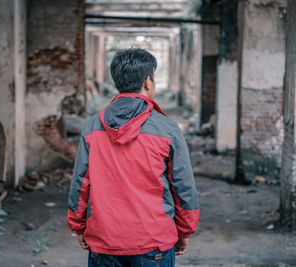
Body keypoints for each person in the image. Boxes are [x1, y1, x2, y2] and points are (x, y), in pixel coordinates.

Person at [67, 48, 199, 267]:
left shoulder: (92, 126)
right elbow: (183, 185)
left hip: (104, 240)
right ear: (148, 82)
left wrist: (78, 225)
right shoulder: (167, 129)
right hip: (153, 241)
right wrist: (185, 230)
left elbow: (80, 183)